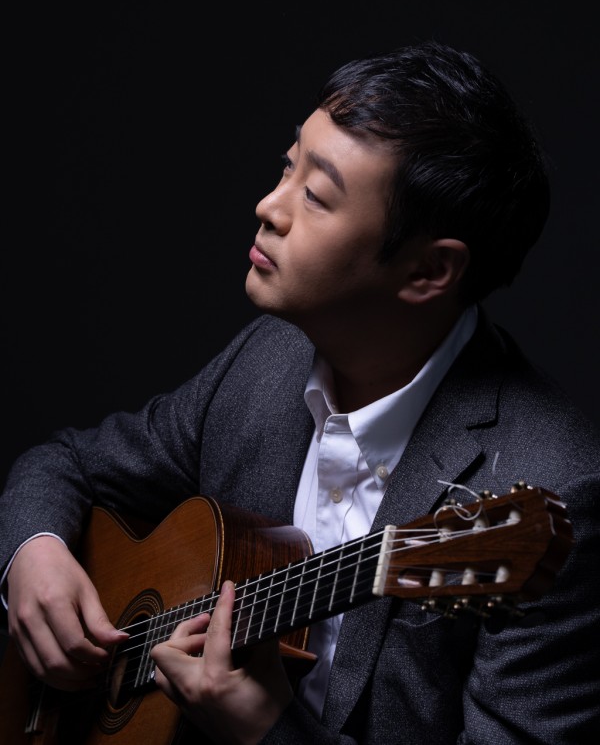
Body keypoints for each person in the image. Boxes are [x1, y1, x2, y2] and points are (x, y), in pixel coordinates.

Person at [1, 40, 599, 744]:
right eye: (290, 167)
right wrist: (34, 552)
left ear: (429, 271)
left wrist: (268, 727)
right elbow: (66, 464)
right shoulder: (266, 360)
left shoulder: (560, 491)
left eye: (316, 197)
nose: (268, 206)